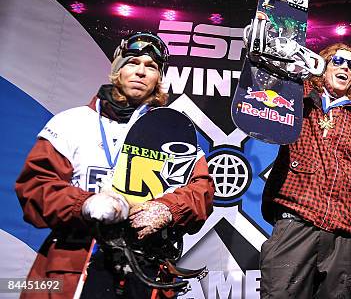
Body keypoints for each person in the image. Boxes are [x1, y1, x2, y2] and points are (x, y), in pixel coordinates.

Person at [15, 32, 215, 298]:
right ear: (117, 69)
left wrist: (168, 208)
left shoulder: (171, 132)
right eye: (133, 62)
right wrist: (84, 204)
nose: (141, 72)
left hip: (145, 268)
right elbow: (35, 188)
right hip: (77, 264)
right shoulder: (72, 123)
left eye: (151, 67)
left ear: (159, 78)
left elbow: (202, 191)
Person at [257, 35, 351, 296]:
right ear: (323, 65)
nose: (345, 68)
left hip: (344, 236)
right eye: (337, 61)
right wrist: (268, 30)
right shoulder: (298, 99)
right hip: (296, 223)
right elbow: (267, 82)